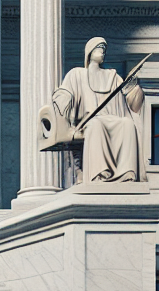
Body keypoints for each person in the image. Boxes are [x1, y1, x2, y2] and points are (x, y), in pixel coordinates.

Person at [52, 37, 145, 183]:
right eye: (99, 48)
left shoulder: (112, 76)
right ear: (89, 51)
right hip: (88, 120)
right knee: (96, 125)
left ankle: (126, 173)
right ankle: (100, 174)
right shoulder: (77, 74)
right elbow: (65, 93)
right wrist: (62, 101)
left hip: (112, 117)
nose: (102, 52)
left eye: (104, 49)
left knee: (127, 124)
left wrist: (135, 88)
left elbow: (130, 104)